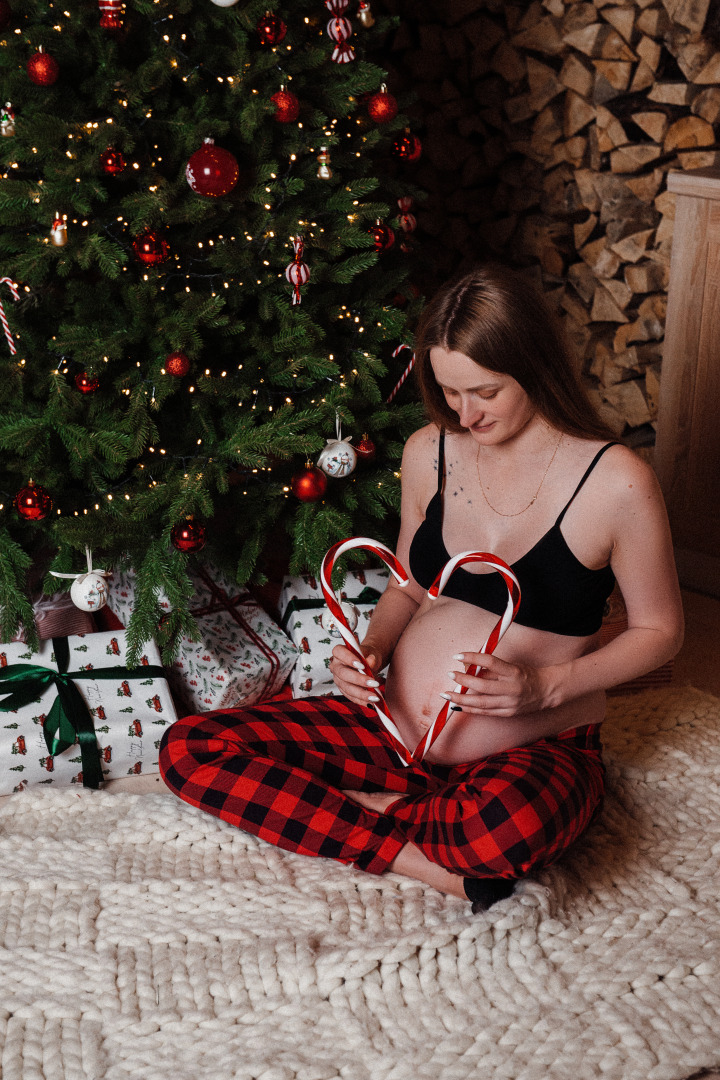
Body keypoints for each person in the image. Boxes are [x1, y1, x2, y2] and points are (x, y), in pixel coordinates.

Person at [159, 264, 684, 913]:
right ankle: (427, 860)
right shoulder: (427, 451)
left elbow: (660, 632)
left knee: (502, 831)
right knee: (189, 749)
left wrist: (544, 687)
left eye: (484, 392)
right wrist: (371, 648)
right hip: (391, 730)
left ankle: (357, 815)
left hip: (530, 747)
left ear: (534, 366)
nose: (466, 413)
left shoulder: (616, 483)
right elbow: (410, 585)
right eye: (449, 391)